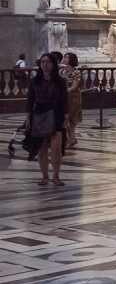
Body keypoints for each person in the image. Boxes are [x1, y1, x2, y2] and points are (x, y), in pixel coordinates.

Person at [25, 53, 66, 186]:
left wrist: (66, 116)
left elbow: (64, 100)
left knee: (56, 148)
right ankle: (44, 176)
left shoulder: (60, 81)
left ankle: (56, 176)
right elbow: (30, 100)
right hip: (39, 115)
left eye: (48, 62)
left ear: (53, 64)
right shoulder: (35, 81)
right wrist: (28, 117)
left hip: (56, 115)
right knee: (42, 148)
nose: (45, 64)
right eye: (42, 62)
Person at [61, 52, 82, 150]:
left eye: (66, 57)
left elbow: (75, 85)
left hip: (73, 97)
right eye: (64, 57)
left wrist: (65, 91)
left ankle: (71, 139)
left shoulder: (76, 72)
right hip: (64, 98)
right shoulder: (62, 72)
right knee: (65, 119)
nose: (64, 59)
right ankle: (72, 138)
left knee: (71, 119)